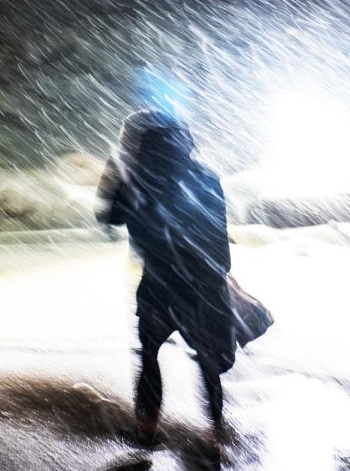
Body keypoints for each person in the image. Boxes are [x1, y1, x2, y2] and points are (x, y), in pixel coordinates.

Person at [96, 109, 236, 448]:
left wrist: (118, 170)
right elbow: (216, 230)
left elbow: (109, 217)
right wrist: (220, 273)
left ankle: (147, 429)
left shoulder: (137, 179)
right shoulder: (205, 176)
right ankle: (215, 433)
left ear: (142, 144)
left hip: (159, 280)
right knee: (206, 360)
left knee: (149, 355)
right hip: (203, 281)